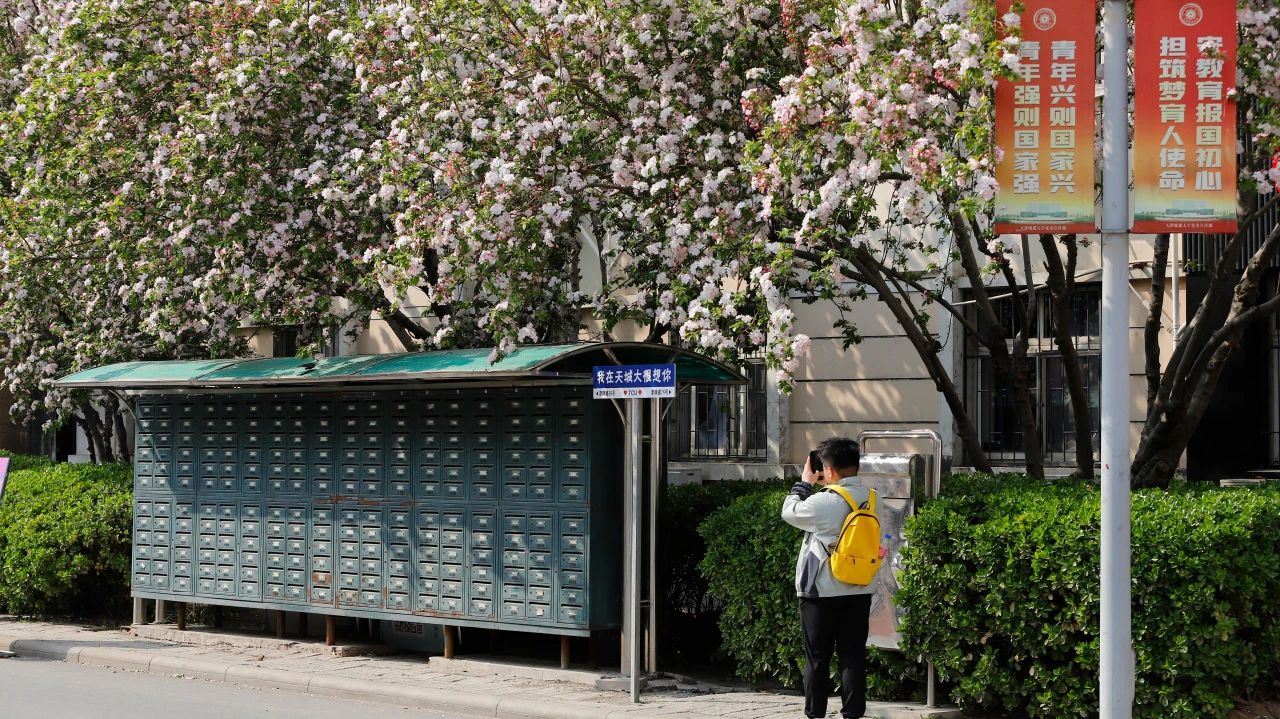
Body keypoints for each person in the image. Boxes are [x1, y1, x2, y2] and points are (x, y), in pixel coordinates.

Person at [780, 437, 876, 719]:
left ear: (829, 470)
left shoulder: (823, 501)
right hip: (859, 588)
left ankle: (815, 714)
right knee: (853, 656)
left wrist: (805, 483)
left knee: (817, 659)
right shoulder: (873, 498)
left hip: (820, 592)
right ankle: (853, 714)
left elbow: (789, 512)